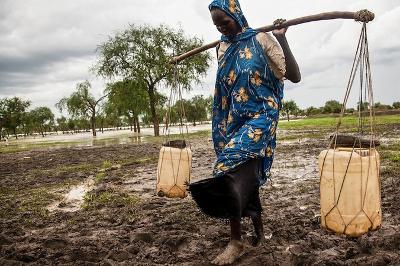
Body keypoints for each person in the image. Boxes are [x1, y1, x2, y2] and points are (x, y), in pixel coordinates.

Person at [189, 0, 301, 264]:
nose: (221, 28)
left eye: (224, 22)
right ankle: (260, 235)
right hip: (234, 121)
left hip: (262, 115)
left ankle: (236, 241)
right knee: (246, 174)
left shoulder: (261, 40)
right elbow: (225, 90)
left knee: (226, 166)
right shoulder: (223, 48)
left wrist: (281, 39)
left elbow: (294, 76)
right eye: (216, 24)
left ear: (236, 15)